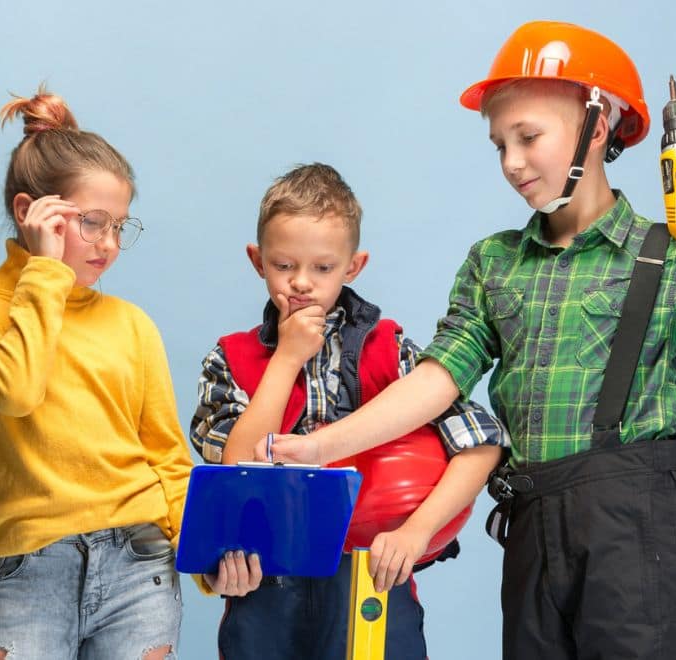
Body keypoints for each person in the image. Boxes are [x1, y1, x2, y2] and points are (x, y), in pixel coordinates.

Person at [260, 21, 676, 659]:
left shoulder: (668, 255)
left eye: (529, 137)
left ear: (597, 129)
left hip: (635, 530)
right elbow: (436, 380)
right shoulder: (494, 263)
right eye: (499, 144)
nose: (512, 162)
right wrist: (320, 447)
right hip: (532, 524)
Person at [190, 163, 508, 658]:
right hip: (264, 588)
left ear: (353, 266)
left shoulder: (393, 351)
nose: (301, 283)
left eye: (322, 268)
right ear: (257, 260)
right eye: (283, 265)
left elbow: (482, 444)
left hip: (371, 581)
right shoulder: (227, 359)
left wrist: (415, 534)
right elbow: (235, 465)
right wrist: (286, 358)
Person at [0, 86, 194, 660]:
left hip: (140, 563)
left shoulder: (132, 324)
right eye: (92, 223)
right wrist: (44, 270)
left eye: (121, 225)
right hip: (27, 571)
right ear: (31, 213)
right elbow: (15, 389)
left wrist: (206, 558)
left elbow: (168, 458)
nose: (110, 244)